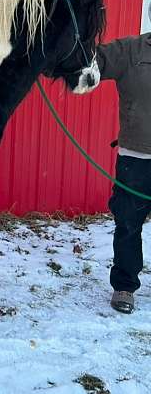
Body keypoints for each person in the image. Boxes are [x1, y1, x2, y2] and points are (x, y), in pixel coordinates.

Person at [96, 33, 151, 314]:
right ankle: (125, 286)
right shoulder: (131, 51)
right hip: (137, 158)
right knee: (129, 224)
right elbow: (90, 62)